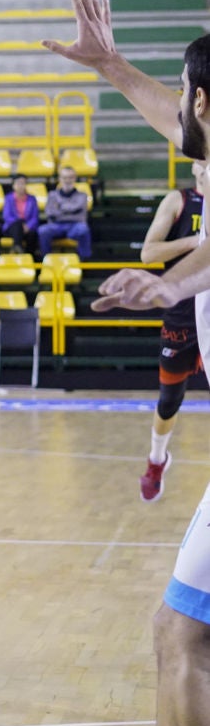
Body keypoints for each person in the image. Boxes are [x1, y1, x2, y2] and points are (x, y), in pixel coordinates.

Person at [47, 0, 210, 726]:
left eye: (186, 95)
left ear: (206, 101)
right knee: (181, 630)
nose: (177, 108)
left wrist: (169, 282)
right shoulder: (207, 150)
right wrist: (111, 65)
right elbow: (168, 119)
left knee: (184, 635)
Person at [138, 160, 207, 503]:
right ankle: (156, 460)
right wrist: (198, 242)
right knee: (170, 399)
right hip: (182, 315)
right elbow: (148, 253)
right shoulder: (178, 201)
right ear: (196, 166)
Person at [37, 167, 92, 258]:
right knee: (43, 230)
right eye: (64, 177)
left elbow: (80, 217)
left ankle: (84, 261)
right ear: (60, 179)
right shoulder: (52, 195)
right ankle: (46, 260)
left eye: (70, 177)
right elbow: (49, 213)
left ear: (74, 178)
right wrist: (73, 210)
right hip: (56, 226)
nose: (67, 180)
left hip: (75, 225)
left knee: (83, 229)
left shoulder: (82, 196)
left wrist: (60, 209)